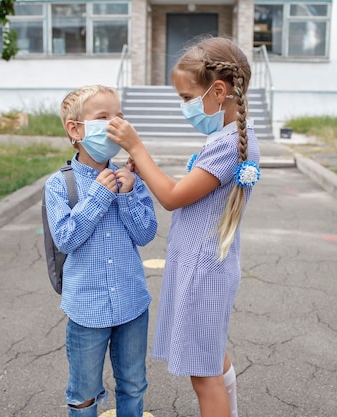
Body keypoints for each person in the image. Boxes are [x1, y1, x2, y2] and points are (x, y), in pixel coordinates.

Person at [106, 36, 261, 417]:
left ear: (219, 91)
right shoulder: (224, 139)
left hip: (204, 270)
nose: (184, 106)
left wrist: (138, 149)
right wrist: (145, 168)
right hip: (201, 266)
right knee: (211, 358)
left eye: (186, 97)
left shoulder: (228, 146)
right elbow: (188, 193)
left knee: (202, 373)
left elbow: (174, 198)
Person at [44, 85, 158, 416]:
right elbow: (64, 238)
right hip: (86, 311)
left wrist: (127, 193)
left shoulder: (131, 178)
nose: (114, 125)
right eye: (103, 117)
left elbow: (146, 233)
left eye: (119, 117)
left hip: (132, 306)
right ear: (75, 129)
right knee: (84, 393)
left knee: (133, 385)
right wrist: (98, 197)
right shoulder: (59, 184)